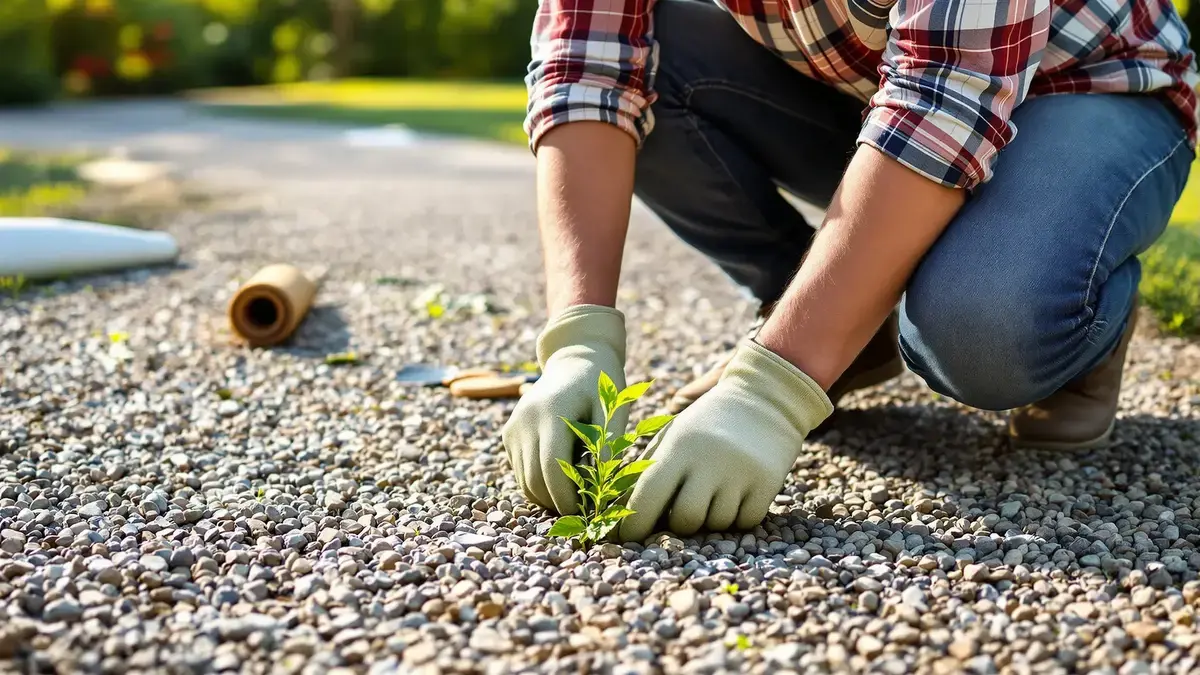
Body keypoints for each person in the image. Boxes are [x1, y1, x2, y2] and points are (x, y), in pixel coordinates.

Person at [502, 0, 1199, 543]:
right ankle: (831, 326)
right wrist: (578, 340)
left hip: (1086, 90)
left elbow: (943, 99)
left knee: (982, 331)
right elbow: (584, 62)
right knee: (658, 64)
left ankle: (1079, 317)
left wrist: (771, 394)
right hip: (874, 94)